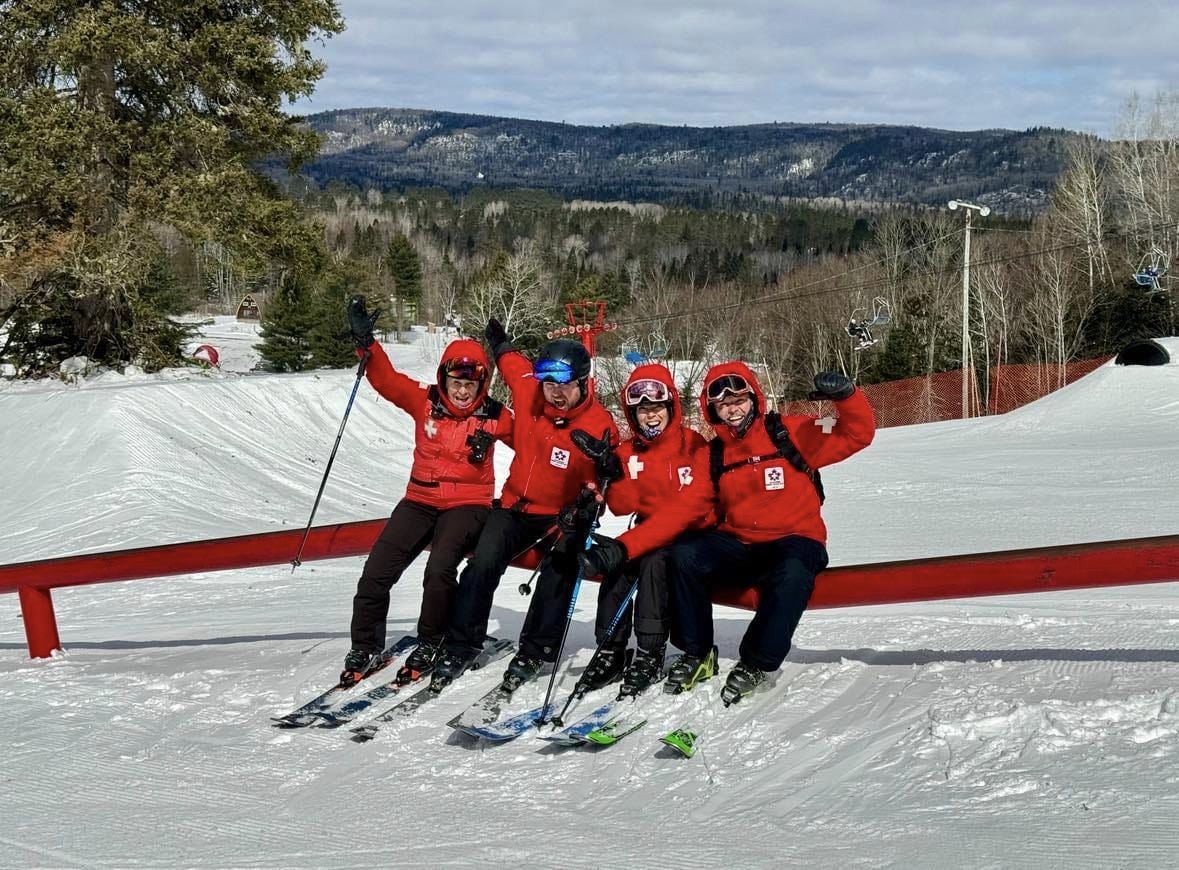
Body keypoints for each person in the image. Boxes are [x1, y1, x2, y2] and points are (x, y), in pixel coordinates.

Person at [661, 362, 876, 705]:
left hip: (795, 537)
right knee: (683, 553)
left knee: (792, 573)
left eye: (739, 399)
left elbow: (857, 434)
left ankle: (757, 663)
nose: (732, 409)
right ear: (711, 409)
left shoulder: (790, 431)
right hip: (741, 542)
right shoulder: (714, 452)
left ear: (754, 398)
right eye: (723, 404)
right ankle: (697, 652)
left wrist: (846, 397)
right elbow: (694, 503)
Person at [431, 318, 620, 692]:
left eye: (565, 386)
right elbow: (512, 362)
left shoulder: (600, 426)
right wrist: (499, 342)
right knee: (482, 562)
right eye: (550, 385)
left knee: (560, 571)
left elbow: (607, 488)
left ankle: (536, 649)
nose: (555, 394)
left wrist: (598, 484)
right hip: (517, 507)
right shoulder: (528, 390)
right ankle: (461, 641)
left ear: (583, 383)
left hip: (562, 516)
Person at [339, 297, 512, 686]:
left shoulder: (496, 417)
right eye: (456, 382)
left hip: (467, 504)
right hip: (419, 499)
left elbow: (537, 445)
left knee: (439, 571)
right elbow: (384, 380)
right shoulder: (425, 401)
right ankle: (365, 645)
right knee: (375, 573)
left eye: (470, 384)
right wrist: (366, 343)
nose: (463, 391)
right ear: (443, 378)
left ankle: (431, 641)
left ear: (481, 384)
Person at [568, 363, 714, 697]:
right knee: (618, 565)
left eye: (656, 408)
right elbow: (621, 505)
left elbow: (697, 505)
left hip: (690, 535)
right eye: (641, 410)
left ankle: (650, 652)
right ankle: (610, 650)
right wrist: (608, 471)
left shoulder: (694, 446)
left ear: (671, 406)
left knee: (654, 563)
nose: (650, 416)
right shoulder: (630, 452)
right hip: (647, 531)